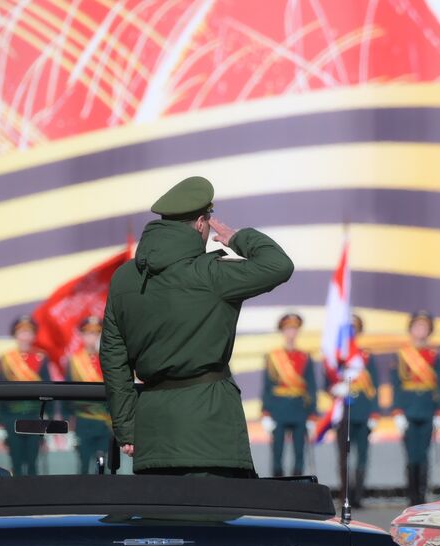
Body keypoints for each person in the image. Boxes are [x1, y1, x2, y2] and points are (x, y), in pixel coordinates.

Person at [101, 175, 295, 476]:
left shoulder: (124, 278)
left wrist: (127, 427)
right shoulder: (211, 274)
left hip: (153, 432)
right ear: (202, 223)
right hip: (211, 431)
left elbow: (113, 358)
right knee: (215, 508)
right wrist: (237, 238)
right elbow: (279, 265)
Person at [392, 311, 440, 505]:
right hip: (408, 409)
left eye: (424, 327)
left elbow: (439, 385)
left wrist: (439, 411)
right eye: (417, 326)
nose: (420, 330)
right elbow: (396, 384)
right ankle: (411, 495)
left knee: (423, 455)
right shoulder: (402, 354)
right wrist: (398, 411)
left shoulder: (434, 355)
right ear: (411, 329)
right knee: (411, 455)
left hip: (427, 408)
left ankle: (421, 495)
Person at [328, 314, 379, 506]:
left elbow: (374, 386)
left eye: (354, 329)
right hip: (343, 413)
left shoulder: (365, 356)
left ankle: (358, 496)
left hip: (363, 412)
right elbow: (327, 383)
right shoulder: (336, 357)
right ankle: (345, 495)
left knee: (362, 457)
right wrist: (335, 388)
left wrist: (374, 413)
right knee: (343, 458)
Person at [260, 312, 317, 477]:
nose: (291, 332)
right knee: (277, 453)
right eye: (288, 329)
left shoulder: (305, 357)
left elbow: (311, 386)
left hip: (299, 408)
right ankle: (278, 489)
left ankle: (298, 488)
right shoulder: (273, 357)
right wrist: (266, 412)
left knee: (299, 454)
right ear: (283, 331)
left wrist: (312, 413)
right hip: (279, 408)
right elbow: (268, 386)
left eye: (294, 329)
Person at [0, 314, 51, 475]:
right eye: (21, 332)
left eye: (29, 332)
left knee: (33, 462)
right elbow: (0, 390)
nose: (25, 336)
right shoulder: (6, 359)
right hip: (12, 416)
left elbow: (48, 388)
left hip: (34, 416)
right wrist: (0, 419)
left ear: (34, 335)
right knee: (16, 461)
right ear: (15, 334)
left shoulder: (41, 358)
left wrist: (46, 417)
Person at [67, 315, 112, 473]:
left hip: (106, 422)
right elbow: (67, 393)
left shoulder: (109, 359)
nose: (93, 337)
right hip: (83, 420)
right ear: (82, 335)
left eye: (97, 333)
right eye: (89, 333)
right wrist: (68, 420)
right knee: (84, 465)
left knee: (102, 465)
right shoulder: (75, 361)